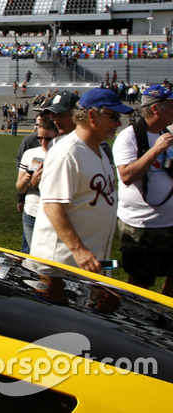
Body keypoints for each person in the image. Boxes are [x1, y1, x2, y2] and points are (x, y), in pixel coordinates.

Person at [31, 88, 133, 272]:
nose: (119, 123)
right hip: (61, 265)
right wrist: (78, 250)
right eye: (114, 117)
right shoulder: (68, 153)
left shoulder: (98, 150)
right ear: (93, 116)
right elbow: (52, 205)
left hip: (88, 263)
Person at [113, 85, 173, 295]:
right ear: (156, 109)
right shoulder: (128, 137)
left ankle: (165, 318)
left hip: (170, 221)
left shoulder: (167, 134)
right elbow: (127, 176)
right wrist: (156, 150)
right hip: (141, 225)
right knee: (139, 282)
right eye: (172, 106)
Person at [15, 116, 58, 253]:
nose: (43, 143)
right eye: (40, 138)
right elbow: (20, 188)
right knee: (32, 253)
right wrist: (29, 178)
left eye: (48, 139)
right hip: (31, 211)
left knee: (49, 255)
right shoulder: (30, 153)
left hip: (53, 213)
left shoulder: (61, 155)